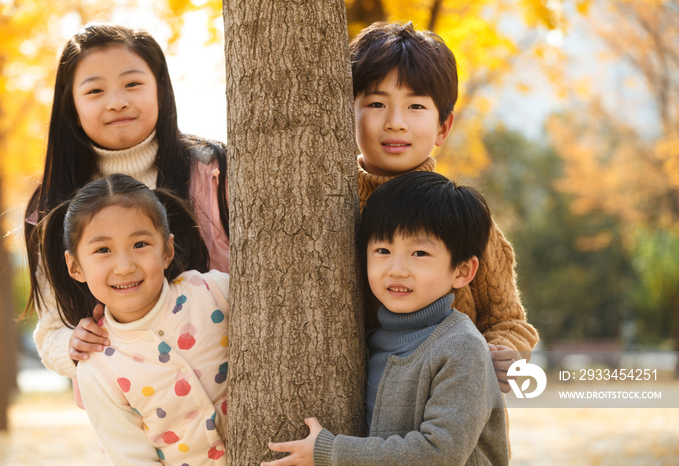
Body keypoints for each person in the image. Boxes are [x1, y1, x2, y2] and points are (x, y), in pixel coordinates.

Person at [23, 24, 229, 382]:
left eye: (133, 84)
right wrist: (72, 342)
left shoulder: (213, 172)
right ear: (71, 105)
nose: (116, 101)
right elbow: (49, 330)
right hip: (134, 412)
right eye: (95, 90)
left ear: (161, 91)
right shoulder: (49, 206)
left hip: (231, 391)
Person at [263, 171, 508, 466]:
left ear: (462, 271)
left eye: (419, 253)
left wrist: (331, 451)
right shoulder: (368, 342)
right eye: (383, 250)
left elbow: (439, 453)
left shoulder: (461, 347)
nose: (397, 269)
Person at [350, 21, 538, 386]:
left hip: (444, 409)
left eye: (416, 105)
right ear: (347, 114)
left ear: (443, 126)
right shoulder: (330, 205)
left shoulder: (458, 216)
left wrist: (502, 354)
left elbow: (509, 320)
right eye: (376, 103)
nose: (396, 122)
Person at [37, 174, 228, 465]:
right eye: (103, 250)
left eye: (140, 244)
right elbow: (132, 458)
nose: (124, 266)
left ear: (166, 250)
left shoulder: (213, 293)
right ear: (75, 267)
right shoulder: (98, 368)